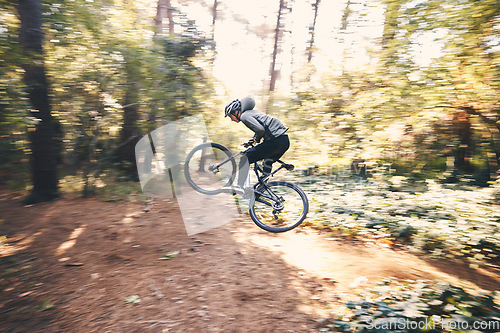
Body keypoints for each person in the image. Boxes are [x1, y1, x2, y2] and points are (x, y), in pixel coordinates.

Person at [224, 97, 289, 193]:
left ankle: (240, 186)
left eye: (230, 116)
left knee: (244, 158)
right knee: (268, 161)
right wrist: (252, 141)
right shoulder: (253, 113)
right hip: (284, 141)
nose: (231, 120)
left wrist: (257, 139)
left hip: (275, 141)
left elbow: (260, 130)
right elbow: (262, 127)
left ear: (235, 112)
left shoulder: (244, 116)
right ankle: (262, 187)